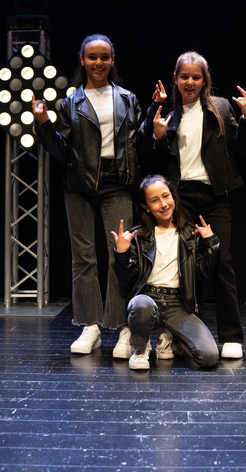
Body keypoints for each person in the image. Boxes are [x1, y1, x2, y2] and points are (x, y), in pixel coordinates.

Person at [32, 34, 157, 357]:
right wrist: (44, 124)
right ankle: (90, 326)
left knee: (121, 256)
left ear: (112, 60)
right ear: (82, 60)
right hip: (79, 186)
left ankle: (123, 326)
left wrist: (155, 110)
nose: (98, 63)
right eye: (92, 57)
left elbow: (140, 142)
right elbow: (61, 152)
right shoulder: (70, 103)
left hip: (118, 183)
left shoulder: (127, 99)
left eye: (104, 57)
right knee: (83, 258)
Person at [149, 51, 246, 359]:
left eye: (196, 77)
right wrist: (158, 137)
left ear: (204, 80)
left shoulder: (220, 107)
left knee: (220, 263)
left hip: (215, 197)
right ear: (175, 78)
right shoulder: (167, 111)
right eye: (185, 77)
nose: (190, 82)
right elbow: (155, 160)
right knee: (185, 268)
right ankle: (187, 336)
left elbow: (240, 149)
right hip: (180, 198)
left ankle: (231, 337)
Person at [112, 174, 220, 371]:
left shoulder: (189, 234)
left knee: (209, 357)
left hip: (178, 305)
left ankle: (172, 338)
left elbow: (202, 274)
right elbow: (126, 279)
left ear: (173, 196)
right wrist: (121, 253)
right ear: (146, 206)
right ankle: (140, 349)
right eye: (154, 200)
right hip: (147, 300)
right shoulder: (138, 236)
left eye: (166, 196)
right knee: (140, 303)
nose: (163, 204)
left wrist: (211, 243)